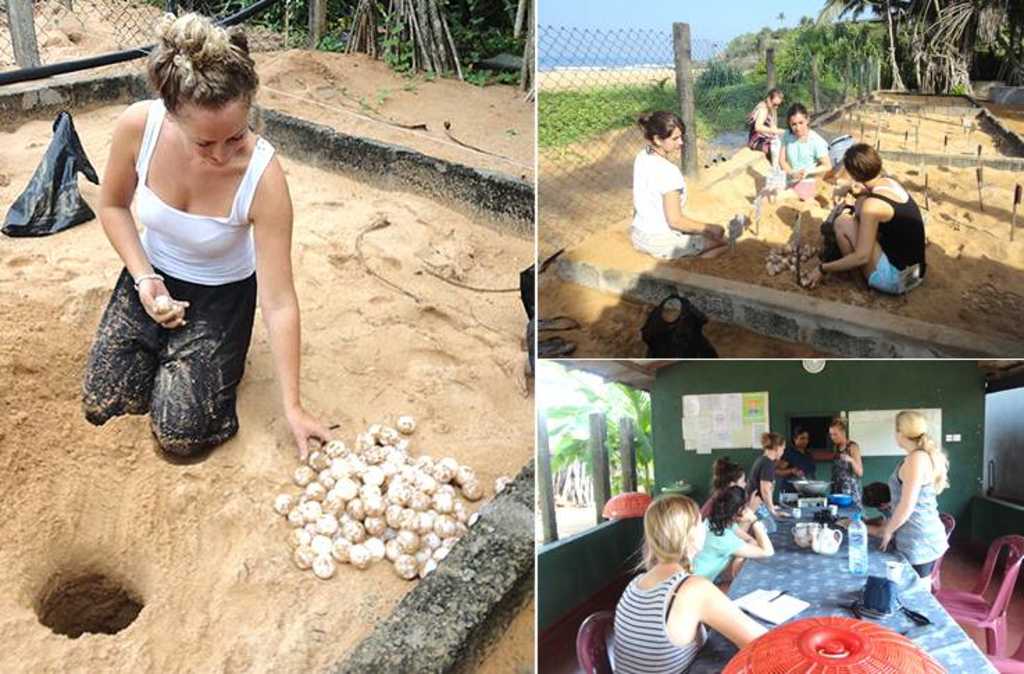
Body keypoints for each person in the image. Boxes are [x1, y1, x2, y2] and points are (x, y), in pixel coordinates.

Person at [82, 13, 331, 460]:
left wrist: (292, 406)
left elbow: (279, 300)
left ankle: (213, 350)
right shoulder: (139, 127)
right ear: (170, 114)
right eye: (204, 143)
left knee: (182, 433)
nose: (221, 155)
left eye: (235, 136)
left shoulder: (265, 177)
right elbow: (113, 205)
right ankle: (173, 349)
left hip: (222, 294)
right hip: (151, 276)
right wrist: (144, 279)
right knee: (108, 401)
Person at [613, 495, 767, 673]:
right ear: (690, 534)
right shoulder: (693, 589)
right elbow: (761, 642)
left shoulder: (634, 584)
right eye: (700, 521)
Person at [804, 143, 926, 295]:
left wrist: (822, 268)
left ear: (854, 175)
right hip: (916, 272)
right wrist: (853, 192)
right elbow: (866, 194)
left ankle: (859, 282)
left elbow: (862, 257)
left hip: (896, 281)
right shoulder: (889, 182)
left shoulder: (872, 206)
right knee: (860, 207)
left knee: (842, 223)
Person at [630, 111, 730, 260]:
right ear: (657, 139)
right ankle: (691, 263)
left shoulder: (642, 155)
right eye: (675, 138)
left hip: (638, 235)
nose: (681, 142)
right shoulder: (669, 172)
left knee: (701, 233)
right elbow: (675, 220)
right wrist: (710, 228)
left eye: (681, 137)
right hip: (659, 241)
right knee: (723, 243)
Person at [867, 411, 951, 579]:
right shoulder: (915, 457)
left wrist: (888, 531)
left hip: (919, 541)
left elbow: (907, 505)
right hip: (916, 538)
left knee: (916, 592)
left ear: (900, 432)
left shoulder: (916, 459)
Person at [694, 486, 775, 584]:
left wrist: (740, 556)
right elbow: (768, 552)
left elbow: (750, 540)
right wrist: (754, 520)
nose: (747, 509)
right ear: (739, 511)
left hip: (698, 580)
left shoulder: (715, 522)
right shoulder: (723, 537)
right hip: (696, 587)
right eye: (745, 507)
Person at [777, 103, 830, 202]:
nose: (798, 128)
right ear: (789, 123)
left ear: (807, 120)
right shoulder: (787, 135)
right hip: (790, 180)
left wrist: (808, 171)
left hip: (808, 182)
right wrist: (792, 173)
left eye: (801, 123)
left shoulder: (816, 140)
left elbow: (827, 165)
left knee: (778, 198)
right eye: (794, 124)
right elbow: (782, 161)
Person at [748, 432, 788, 528]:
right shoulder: (767, 464)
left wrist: (771, 506)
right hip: (756, 506)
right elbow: (765, 490)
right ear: (777, 448)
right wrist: (772, 511)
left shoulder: (762, 460)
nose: (783, 452)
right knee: (771, 528)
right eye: (783, 449)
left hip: (757, 504)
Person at [829, 418, 863, 508]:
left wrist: (851, 460)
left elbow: (860, 472)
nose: (832, 437)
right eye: (831, 434)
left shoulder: (852, 447)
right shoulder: (835, 447)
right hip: (836, 489)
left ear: (843, 433)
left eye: (835, 434)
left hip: (850, 491)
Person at [746, 88, 786, 164]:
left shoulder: (770, 108)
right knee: (777, 147)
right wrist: (776, 131)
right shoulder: (763, 109)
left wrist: (778, 132)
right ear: (768, 99)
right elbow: (758, 127)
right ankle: (777, 169)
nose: (776, 107)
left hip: (765, 137)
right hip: (757, 140)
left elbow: (773, 126)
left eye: (778, 105)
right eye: (774, 104)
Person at [776, 425, 817, 493]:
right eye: (802, 438)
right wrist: (791, 471)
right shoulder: (789, 453)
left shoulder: (808, 454)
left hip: (806, 491)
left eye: (807, 438)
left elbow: (812, 474)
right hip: (790, 492)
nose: (805, 441)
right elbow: (777, 471)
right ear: (795, 439)